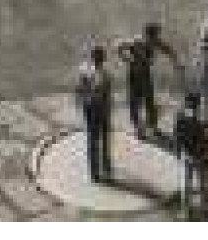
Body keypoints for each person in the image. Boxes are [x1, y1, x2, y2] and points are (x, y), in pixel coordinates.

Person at [115, 24, 176, 140]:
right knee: (135, 101)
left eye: (156, 36)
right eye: (154, 36)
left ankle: (153, 127)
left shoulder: (155, 42)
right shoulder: (137, 41)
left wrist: (176, 62)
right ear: (147, 35)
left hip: (145, 74)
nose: (155, 39)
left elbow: (167, 49)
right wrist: (126, 59)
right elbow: (119, 45)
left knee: (149, 101)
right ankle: (138, 128)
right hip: (134, 75)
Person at [75, 46, 114, 183]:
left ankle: (98, 170)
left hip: (93, 108)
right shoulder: (102, 74)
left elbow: (79, 89)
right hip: (96, 109)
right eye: (102, 57)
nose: (102, 59)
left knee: (97, 139)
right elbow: (105, 94)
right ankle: (101, 169)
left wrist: (81, 103)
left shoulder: (86, 70)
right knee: (99, 139)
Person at [170, 93, 208, 219]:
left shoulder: (181, 119)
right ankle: (201, 210)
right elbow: (202, 141)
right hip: (196, 157)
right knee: (199, 184)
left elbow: (177, 139)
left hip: (191, 156)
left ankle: (190, 211)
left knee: (189, 185)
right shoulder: (195, 120)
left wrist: (180, 153)